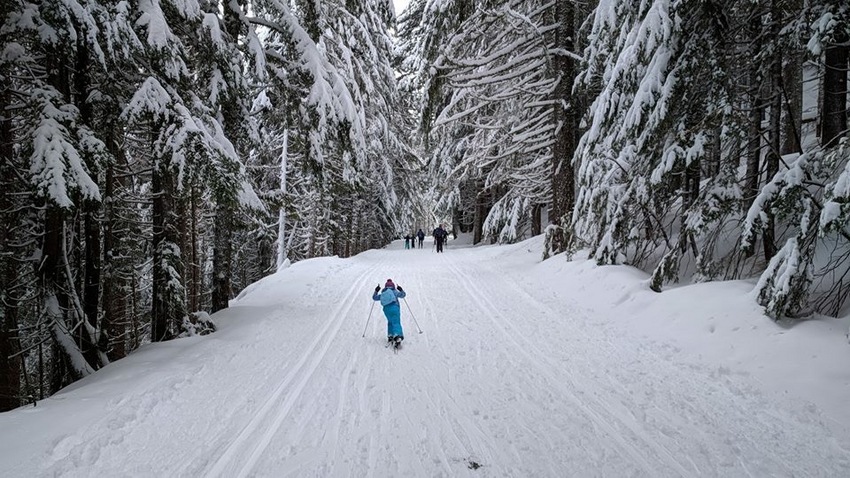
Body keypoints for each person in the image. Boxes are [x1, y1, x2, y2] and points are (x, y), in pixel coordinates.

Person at [373, 279, 406, 345]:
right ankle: (397, 336)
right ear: (393, 286)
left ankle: (390, 336)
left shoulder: (383, 293)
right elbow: (403, 295)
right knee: (396, 322)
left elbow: (374, 297)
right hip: (394, 308)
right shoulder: (394, 291)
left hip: (386, 310)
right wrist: (400, 289)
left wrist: (376, 291)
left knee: (390, 322)